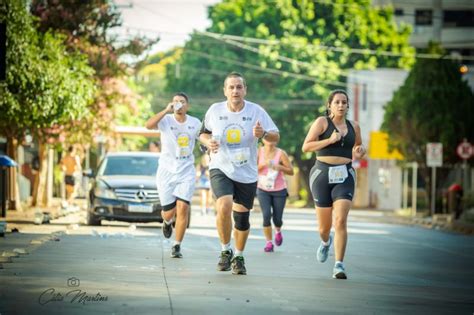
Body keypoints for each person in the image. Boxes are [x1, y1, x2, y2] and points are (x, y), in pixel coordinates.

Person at [200, 72, 279, 275]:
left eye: (239, 87)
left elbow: (275, 136)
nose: (235, 90)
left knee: (242, 219)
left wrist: (263, 134)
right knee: (224, 206)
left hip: (247, 172)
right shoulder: (214, 110)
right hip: (221, 166)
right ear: (225, 91)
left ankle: (239, 255)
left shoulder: (256, 111)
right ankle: (225, 250)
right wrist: (208, 142)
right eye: (231, 87)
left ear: (245, 90)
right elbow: (203, 133)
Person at [302, 89, 366, 280]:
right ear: (329, 105)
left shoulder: (354, 126)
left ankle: (339, 264)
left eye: (344, 102)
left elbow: (357, 148)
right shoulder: (322, 123)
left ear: (347, 105)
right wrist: (329, 140)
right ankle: (325, 241)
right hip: (322, 174)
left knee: (340, 220)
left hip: (345, 175)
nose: (340, 105)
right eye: (337, 102)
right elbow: (306, 146)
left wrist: (360, 150)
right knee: (324, 227)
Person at [145, 92, 201, 258]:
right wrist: (165, 110)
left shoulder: (195, 123)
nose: (179, 104)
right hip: (166, 171)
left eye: (182, 102)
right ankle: (167, 221)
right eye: (176, 101)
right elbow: (148, 125)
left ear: (187, 106)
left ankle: (177, 245)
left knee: (183, 207)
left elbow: (204, 137)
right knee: (169, 212)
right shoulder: (166, 120)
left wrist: (209, 145)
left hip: (186, 170)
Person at [257, 138, 294, 252]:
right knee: (266, 215)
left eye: (273, 139)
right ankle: (269, 242)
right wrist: (262, 165)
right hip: (263, 188)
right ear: (263, 140)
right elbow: (251, 169)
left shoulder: (281, 153)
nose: (270, 141)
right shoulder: (259, 152)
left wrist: (280, 167)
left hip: (279, 189)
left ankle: (278, 231)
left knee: (277, 219)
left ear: (276, 141)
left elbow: (291, 171)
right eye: (268, 139)